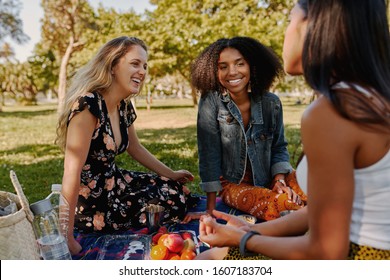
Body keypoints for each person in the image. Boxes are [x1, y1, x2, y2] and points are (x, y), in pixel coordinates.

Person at [197, 0, 390, 260]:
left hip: (363, 258)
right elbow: (318, 212)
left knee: (208, 259)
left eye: (289, 20)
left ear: (312, 27)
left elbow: (326, 252)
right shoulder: (370, 96)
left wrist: (243, 239)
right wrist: (252, 229)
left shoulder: (332, 111)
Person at [56, 36, 194, 255]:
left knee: (174, 190)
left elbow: (135, 148)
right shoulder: (87, 106)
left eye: (145, 66)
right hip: (93, 203)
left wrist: (172, 174)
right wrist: (65, 235)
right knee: (171, 201)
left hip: (116, 182)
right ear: (113, 66)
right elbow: (71, 172)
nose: (142, 71)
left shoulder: (123, 105)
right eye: (135, 63)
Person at [185, 36, 306, 223]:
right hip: (234, 185)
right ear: (213, 71)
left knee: (321, 186)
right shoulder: (210, 102)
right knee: (283, 205)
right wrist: (210, 210)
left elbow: (279, 147)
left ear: (251, 66)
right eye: (223, 66)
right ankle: (306, 217)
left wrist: (279, 181)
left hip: (272, 177)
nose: (232, 72)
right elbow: (209, 156)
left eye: (239, 64)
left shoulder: (271, 102)